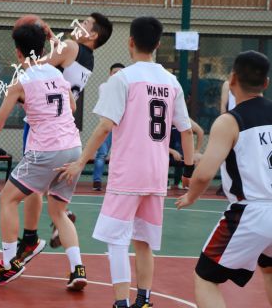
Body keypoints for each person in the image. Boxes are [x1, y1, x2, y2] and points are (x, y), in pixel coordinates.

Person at [56, 17, 194, 308]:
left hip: (127, 175)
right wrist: (188, 171)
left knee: (117, 242)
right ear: (158, 45)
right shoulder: (172, 82)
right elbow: (185, 130)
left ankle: (121, 303)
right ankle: (144, 300)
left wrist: (81, 162)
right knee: (144, 242)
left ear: (130, 41)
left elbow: (105, 126)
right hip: (156, 176)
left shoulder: (123, 79)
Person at [0, 15, 87, 290]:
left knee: (8, 198)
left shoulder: (21, 83)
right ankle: (77, 268)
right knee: (58, 211)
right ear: (42, 49)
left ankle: (9, 264)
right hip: (73, 149)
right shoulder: (57, 74)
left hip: (47, 151)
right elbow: (73, 108)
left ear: (18, 53)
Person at [176, 51, 272, 308]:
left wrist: (191, 196)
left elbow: (205, 174)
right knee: (269, 268)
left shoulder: (229, 121)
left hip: (252, 212)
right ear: (266, 83)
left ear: (232, 80)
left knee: (206, 277)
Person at [17, 12, 113, 264]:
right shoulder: (87, 58)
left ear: (93, 34)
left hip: (42, 125)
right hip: (65, 130)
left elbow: (35, 68)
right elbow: (63, 63)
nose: (78, 24)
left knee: (31, 186)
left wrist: (24, 48)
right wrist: (51, 37)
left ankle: (29, 239)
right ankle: (61, 217)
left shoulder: (70, 47)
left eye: (85, 23)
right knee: (48, 188)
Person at [91, 63, 125, 191]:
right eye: (115, 72)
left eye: (120, 73)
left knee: (120, 155)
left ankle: (117, 182)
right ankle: (97, 181)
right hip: (107, 125)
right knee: (102, 154)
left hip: (121, 127)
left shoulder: (127, 87)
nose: (117, 75)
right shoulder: (104, 86)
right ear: (110, 74)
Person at [169, 118, 204, 189]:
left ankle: (186, 180)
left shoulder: (184, 118)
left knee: (199, 158)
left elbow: (200, 131)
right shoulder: (164, 119)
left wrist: (197, 150)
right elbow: (157, 144)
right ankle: (163, 181)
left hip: (184, 156)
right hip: (167, 155)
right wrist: (172, 151)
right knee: (156, 157)